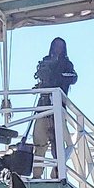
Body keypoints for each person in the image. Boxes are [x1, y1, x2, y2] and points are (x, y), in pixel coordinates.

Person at [32, 37, 77, 177]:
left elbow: (73, 78)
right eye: (56, 46)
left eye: (60, 46)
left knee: (58, 143)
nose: (57, 49)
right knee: (39, 140)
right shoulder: (46, 61)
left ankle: (56, 174)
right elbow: (40, 76)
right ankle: (37, 174)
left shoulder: (66, 64)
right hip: (43, 105)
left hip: (57, 105)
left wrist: (58, 76)